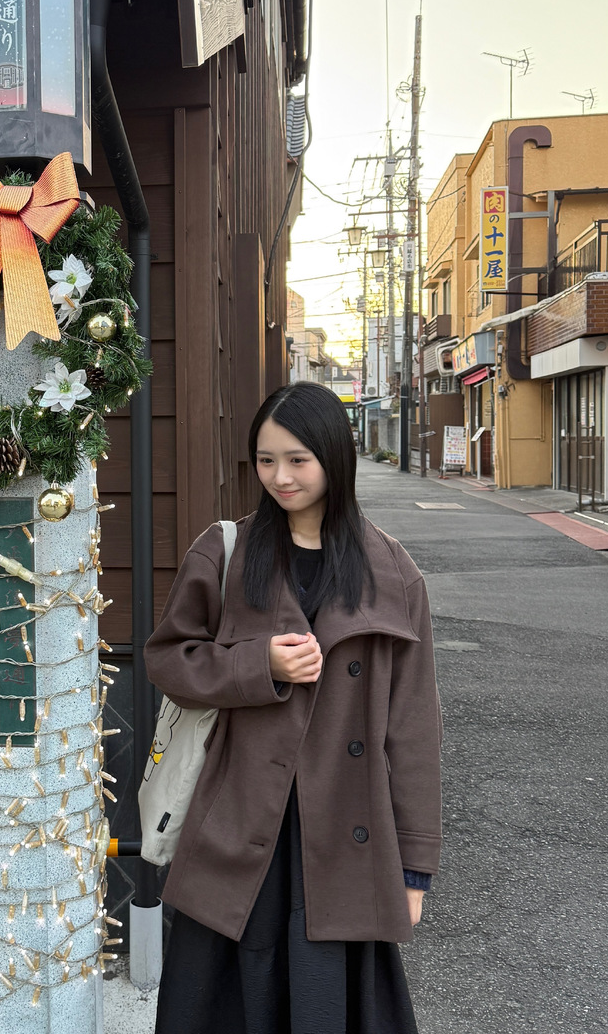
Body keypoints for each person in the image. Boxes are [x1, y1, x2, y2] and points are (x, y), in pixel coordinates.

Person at [145, 381, 442, 1034]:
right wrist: (259, 666)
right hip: (239, 821)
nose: (280, 477)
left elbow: (414, 729)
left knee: (324, 1003)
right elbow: (168, 660)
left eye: (298, 460)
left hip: (343, 836)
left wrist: (414, 869)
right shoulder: (226, 552)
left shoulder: (393, 573)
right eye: (266, 460)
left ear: (335, 458)